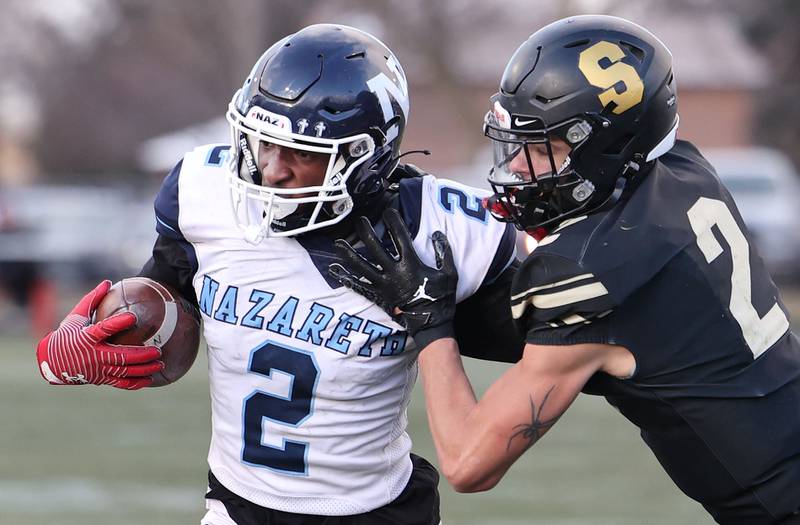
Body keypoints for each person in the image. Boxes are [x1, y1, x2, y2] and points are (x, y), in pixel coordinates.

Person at [34, 24, 524, 524]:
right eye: (263, 142)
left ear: (365, 156)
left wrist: (434, 317)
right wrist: (82, 348)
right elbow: (163, 305)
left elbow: (562, 341)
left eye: (301, 151)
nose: (271, 169)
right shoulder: (207, 196)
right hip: (235, 506)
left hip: (375, 511)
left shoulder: (436, 231)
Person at [329, 15, 800, 524]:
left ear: (609, 149)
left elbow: (468, 464)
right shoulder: (683, 171)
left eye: (543, 149)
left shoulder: (591, 274)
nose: (516, 167)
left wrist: (429, 319)